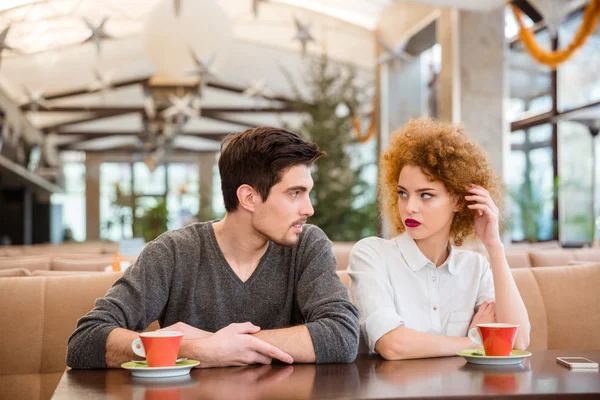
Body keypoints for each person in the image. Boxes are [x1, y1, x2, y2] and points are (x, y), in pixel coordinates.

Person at [67, 127, 359, 369]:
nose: (308, 209)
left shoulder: (307, 245)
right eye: (295, 194)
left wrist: (222, 346)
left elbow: (342, 335)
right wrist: (199, 350)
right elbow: (86, 341)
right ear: (249, 197)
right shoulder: (173, 252)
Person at [348, 118, 530, 360]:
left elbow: (518, 342)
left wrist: (494, 247)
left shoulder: (475, 267)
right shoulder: (372, 254)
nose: (410, 207)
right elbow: (392, 345)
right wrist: (474, 340)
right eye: (403, 193)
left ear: (457, 201)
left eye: (426, 195)